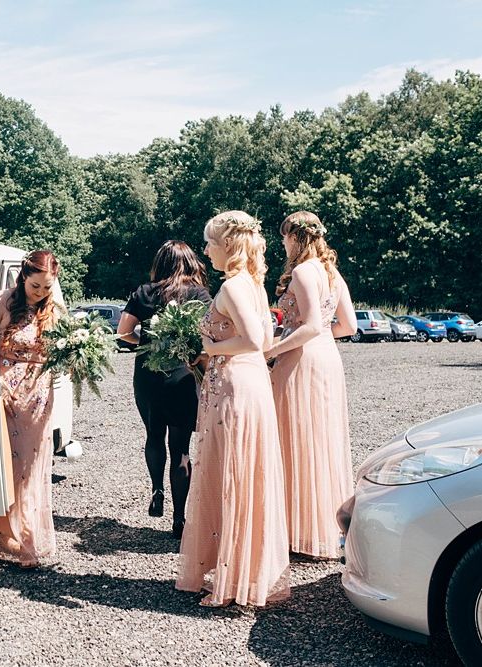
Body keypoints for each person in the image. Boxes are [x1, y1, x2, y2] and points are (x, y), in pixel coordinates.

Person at [176, 211, 289, 608]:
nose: (206, 251)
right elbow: (268, 335)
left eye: (210, 243)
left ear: (227, 245)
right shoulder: (252, 285)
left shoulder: (234, 287)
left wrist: (209, 348)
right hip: (244, 382)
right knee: (239, 474)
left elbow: (256, 339)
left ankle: (234, 577)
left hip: (235, 385)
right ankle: (238, 569)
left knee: (233, 476)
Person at [0, 250, 61, 568]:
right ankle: (16, 533)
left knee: (31, 468)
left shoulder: (52, 308)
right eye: (36, 287)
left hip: (38, 395)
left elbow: (61, 347)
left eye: (47, 287)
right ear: (23, 278)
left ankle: (22, 533)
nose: (42, 293)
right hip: (7, 392)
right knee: (10, 466)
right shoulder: (4, 302)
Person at [266, 211, 357, 559]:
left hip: (301, 361)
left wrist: (272, 348)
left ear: (297, 238)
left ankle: (296, 531)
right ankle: (321, 529)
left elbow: (308, 326)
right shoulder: (332, 273)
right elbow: (347, 326)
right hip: (327, 359)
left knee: (296, 440)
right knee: (319, 441)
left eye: (285, 236)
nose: (283, 243)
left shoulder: (304, 271)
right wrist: (318, 338)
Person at [117, 240, 211, 539]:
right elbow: (208, 336)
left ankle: (157, 489)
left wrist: (147, 344)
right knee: (180, 448)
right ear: (190, 263)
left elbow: (123, 333)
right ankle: (180, 517)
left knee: (154, 436)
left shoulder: (145, 292)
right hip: (183, 375)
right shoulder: (199, 295)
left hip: (148, 375)